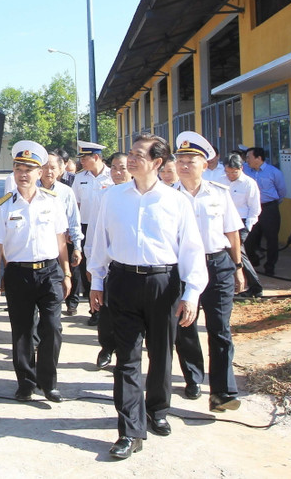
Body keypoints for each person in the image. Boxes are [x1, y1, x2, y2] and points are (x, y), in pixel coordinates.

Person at [88, 133, 207, 461]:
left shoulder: (175, 202)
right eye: (130, 153)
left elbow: (192, 250)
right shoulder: (112, 198)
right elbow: (99, 240)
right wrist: (97, 281)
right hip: (123, 281)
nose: (131, 159)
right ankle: (130, 430)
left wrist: (192, 293)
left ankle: (157, 409)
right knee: (126, 359)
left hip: (162, 283)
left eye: (139, 155)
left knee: (160, 352)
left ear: (156, 162)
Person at [0, 141, 71, 403]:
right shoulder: (3, 206)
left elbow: (61, 240)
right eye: (18, 168)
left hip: (49, 273)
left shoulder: (53, 202)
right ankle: (26, 382)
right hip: (19, 274)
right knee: (21, 331)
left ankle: (48, 382)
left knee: (52, 328)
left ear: (40, 172)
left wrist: (66, 272)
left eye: (29, 169)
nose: (23, 173)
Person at [172, 132, 246, 412]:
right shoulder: (169, 197)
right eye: (180, 160)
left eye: (191, 160)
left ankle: (223, 392)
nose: (184, 165)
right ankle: (192, 378)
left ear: (205, 164)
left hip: (217, 264)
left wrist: (237, 267)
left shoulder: (219, 194)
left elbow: (232, 231)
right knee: (185, 326)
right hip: (183, 268)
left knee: (220, 328)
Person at [87, 152, 129, 371]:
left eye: (122, 168)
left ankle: (125, 354)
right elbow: (94, 231)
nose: (118, 172)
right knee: (106, 312)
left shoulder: (138, 196)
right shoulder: (103, 195)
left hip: (130, 266)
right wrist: (91, 264)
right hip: (109, 264)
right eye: (113, 168)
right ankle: (106, 348)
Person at [73, 141, 113, 323]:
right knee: (87, 269)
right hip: (86, 226)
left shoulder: (112, 176)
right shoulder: (80, 178)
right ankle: (94, 310)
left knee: (107, 267)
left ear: (96, 157)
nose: (81, 162)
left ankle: (108, 308)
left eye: (85, 158)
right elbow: (76, 205)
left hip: (107, 228)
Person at [39, 153, 83, 316]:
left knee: (71, 271)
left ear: (60, 170)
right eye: (45, 167)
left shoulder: (66, 191)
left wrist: (77, 246)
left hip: (64, 241)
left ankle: (72, 302)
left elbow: (73, 220)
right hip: (42, 244)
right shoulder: (31, 189)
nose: (48, 171)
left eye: (52, 168)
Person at [224, 153, 264, 298]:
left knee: (238, 254)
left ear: (241, 168)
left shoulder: (249, 183)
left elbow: (254, 208)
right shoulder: (220, 181)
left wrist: (248, 227)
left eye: (234, 172)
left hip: (241, 223)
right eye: (228, 172)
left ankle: (255, 287)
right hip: (223, 222)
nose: (231, 175)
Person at [244, 147, 286, 275]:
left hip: (269, 208)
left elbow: (282, 191)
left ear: (258, 158)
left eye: (248, 157)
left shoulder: (274, 172)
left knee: (271, 239)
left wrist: (271, 205)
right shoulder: (245, 170)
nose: (246, 160)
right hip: (251, 209)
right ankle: (253, 259)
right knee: (249, 238)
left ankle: (270, 267)